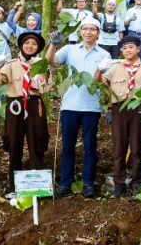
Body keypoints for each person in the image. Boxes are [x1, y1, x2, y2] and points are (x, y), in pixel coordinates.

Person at [47, 17, 110, 198]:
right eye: (85, 29)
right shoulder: (70, 49)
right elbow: (51, 61)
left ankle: (88, 183)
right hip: (70, 106)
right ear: (80, 32)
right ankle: (66, 183)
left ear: (98, 33)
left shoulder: (104, 54)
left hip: (92, 107)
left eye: (92, 29)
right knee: (68, 146)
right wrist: (53, 45)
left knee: (90, 146)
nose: (88, 32)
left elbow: (103, 82)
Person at [0, 32, 51, 193]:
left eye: (34, 44)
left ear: (38, 48)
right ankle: (14, 187)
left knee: (37, 142)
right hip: (15, 105)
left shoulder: (41, 65)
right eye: (27, 43)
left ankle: (38, 186)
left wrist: (40, 81)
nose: (30, 46)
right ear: (21, 45)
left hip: (34, 104)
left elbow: (47, 87)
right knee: (14, 143)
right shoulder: (11, 64)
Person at [96, 36, 141, 196]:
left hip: (138, 108)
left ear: (138, 49)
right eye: (124, 48)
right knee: (119, 147)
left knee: (137, 147)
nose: (128, 50)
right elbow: (98, 81)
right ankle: (119, 182)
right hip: (119, 109)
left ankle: (136, 182)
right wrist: (99, 68)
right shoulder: (115, 68)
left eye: (131, 47)